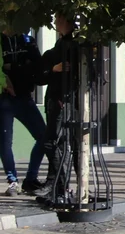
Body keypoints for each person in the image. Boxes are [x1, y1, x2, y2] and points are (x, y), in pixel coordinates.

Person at [34, 12, 80, 204]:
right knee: (58, 144)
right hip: (56, 100)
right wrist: (53, 69)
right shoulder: (58, 48)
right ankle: (59, 186)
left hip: (65, 102)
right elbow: (40, 76)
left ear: (66, 21)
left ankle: (61, 186)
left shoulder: (74, 46)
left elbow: (81, 75)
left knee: (53, 143)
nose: (55, 22)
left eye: (58, 19)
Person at [0, 28, 46, 196]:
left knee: (44, 136)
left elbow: (37, 66)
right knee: (5, 142)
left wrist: (12, 67)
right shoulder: (1, 41)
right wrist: (23, 66)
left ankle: (30, 179)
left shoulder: (27, 40)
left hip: (25, 96)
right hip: (4, 97)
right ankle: (13, 181)